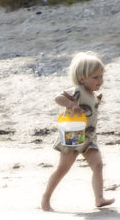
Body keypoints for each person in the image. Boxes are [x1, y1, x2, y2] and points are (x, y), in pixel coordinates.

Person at [40, 51, 114, 211]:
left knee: (98, 166)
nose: (100, 81)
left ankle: (99, 198)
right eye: (95, 77)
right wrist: (71, 104)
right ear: (82, 78)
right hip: (72, 135)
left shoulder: (94, 95)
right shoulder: (77, 91)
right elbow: (58, 98)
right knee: (63, 168)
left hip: (89, 137)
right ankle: (45, 198)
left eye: (101, 76)